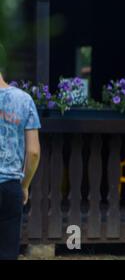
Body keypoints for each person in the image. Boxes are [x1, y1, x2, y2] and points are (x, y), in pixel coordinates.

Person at [0, 44, 41, 260]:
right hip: (10, 187)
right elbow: (33, 152)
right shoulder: (24, 101)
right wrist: (24, 186)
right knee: (7, 252)